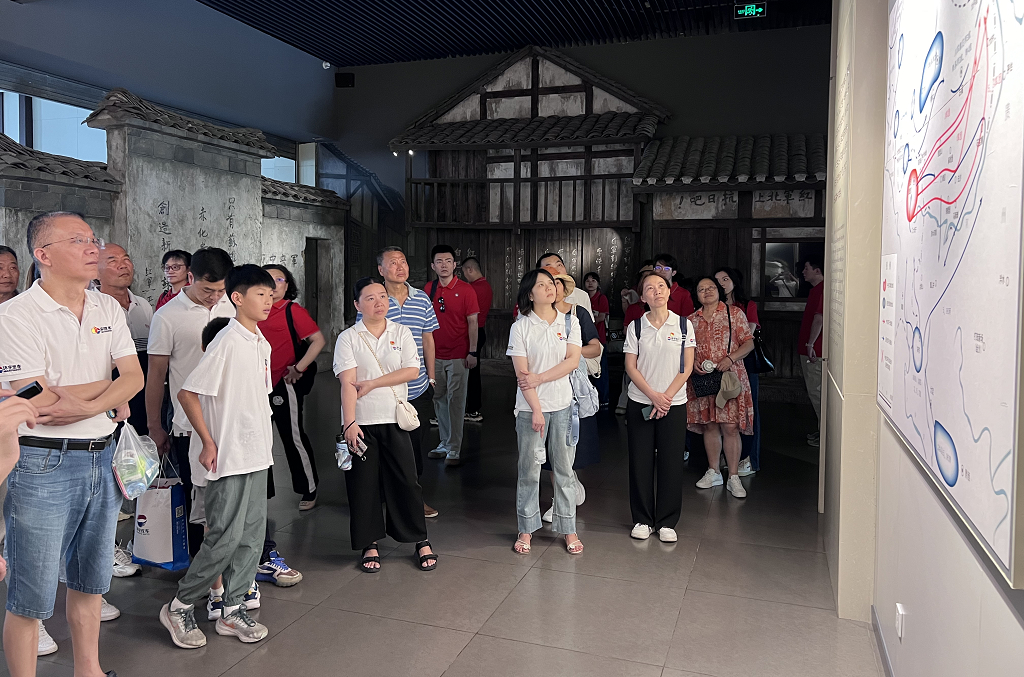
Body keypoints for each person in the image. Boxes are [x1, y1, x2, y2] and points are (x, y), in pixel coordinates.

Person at [0, 211, 144, 677]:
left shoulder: (106, 307)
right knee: (31, 594)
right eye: (77, 240)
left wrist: (77, 400)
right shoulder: (15, 316)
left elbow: (135, 377)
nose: (92, 247)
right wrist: (106, 396)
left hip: (103, 458)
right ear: (43, 255)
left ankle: (89, 670)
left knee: (91, 582)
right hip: (42, 463)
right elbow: (33, 401)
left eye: (92, 238)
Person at [159, 264, 278, 649]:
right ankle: (179, 605)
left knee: (251, 535)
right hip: (228, 456)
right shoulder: (228, 340)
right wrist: (208, 442)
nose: (269, 300)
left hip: (257, 453)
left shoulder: (261, 342)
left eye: (272, 294)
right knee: (223, 537)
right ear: (238, 298)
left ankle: (233, 608)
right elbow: (188, 394)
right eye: (261, 294)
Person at [335, 277, 438, 573]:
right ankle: (370, 543)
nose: (379, 302)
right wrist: (349, 423)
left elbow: (411, 370)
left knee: (406, 479)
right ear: (357, 305)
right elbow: (347, 383)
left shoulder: (401, 332)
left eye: (382, 297)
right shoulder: (349, 338)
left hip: (396, 419)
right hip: (363, 421)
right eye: (370, 298)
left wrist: (374, 383)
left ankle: (420, 539)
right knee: (363, 484)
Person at [147, 248, 237, 557]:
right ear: (190, 278)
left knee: (237, 497)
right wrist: (155, 427)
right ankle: (200, 570)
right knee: (196, 501)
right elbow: (156, 376)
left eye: (221, 290)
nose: (214, 297)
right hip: (189, 427)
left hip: (233, 422)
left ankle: (240, 565)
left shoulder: (235, 307)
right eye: (207, 289)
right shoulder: (167, 316)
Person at [507, 268, 584, 556]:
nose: (550, 288)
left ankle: (568, 528)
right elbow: (522, 374)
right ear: (530, 293)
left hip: (563, 405)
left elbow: (572, 361)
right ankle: (526, 528)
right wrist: (536, 409)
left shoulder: (570, 321)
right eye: (541, 284)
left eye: (551, 283)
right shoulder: (521, 326)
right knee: (529, 470)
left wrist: (540, 379)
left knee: (564, 470)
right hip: (530, 410)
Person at [624, 270, 695, 542]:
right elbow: (631, 366)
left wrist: (665, 398)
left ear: (669, 291)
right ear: (642, 297)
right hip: (641, 401)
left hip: (673, 404)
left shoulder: (684, 326)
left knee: (671, 461)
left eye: (661, 286)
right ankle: (642, 519)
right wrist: (653, 395)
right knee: (640, 461)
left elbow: (686, 367)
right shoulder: (636, 327)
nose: (657, 291)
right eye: (650, 288)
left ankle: (667, 521)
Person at [373, 246, 440, 518]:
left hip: (417, 387)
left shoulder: (422, 299)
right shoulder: (375, 299)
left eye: (403, 261)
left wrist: (432, 376)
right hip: (384, 388)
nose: (400, 267)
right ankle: (384, 498)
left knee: (415, 447)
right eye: (393, 262)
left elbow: (428, 339)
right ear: (381, 270)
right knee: (385, 446)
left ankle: (414, 499)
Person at [259, 264, 326, 511]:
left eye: (280, 279)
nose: (274, 284)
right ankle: (261, 492)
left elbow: (318, 340)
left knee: (292, 436)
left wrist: (299, 367)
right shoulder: (250, 310)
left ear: (287, 285)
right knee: (259, 439)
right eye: (268, 279)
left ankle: (308, 487)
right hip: (255, 385)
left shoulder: (291, 310)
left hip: (283, 383)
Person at [540, 269, 598, 524]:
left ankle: (569, 487)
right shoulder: (535, 317)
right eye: (547, 284)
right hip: (543, 388)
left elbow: (596, 346)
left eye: (557, 284)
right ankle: (559, 497)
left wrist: (572, 352)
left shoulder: (577, 313)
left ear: (564, 288)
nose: (553, 289)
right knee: (549, 449)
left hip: (572, 388)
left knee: (569, 441)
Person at [688, 277, 755, 499]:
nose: (706, 291)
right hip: (704, 379)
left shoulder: (734, 313)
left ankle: (733, 476)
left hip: (730, 378)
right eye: (701, 289)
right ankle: (714, 471)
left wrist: (731, 357)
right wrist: (693, 362)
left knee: (730, 426)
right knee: (709, 425)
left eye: (711, 288)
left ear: (719, 291)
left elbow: (749, 342)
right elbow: (687, 348)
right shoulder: (691, 320)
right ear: (696, 295)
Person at [424, 245, 479, 467]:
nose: (444, 265)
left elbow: (473, 322)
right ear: (433, 266)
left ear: (455, 265)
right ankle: (444, 442)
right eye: (439, 261)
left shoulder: (466, 290)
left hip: (458, 354)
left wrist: (472, 351)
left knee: (456, 401)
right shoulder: (429, 288)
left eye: (448, 261)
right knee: (438, 398)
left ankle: (454, 447)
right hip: (434, 354)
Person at [98, 243, 153, 435]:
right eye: (113, 261)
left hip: (144, 392)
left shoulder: (143, 304)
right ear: (95, 272)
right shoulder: (93, 308)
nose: (123, 265)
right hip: (112, 392)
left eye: (126, 259)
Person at [715, 267, 760, 476]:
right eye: (717, 280)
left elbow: (746, 336)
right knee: (723, 412)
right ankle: (727, 456)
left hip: (743, 365)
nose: (722, 283)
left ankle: (750, 458)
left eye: (725, 279)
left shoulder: (747, 305)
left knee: (748, 413)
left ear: (734, 281)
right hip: (719, 367)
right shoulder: (712, 306)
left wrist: (729, 355)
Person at [617, 261, 655, 415]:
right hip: (637, 350)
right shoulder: (633, 308)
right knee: (630, 375)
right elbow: (627, 329)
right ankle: (626, 405)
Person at [461, 256, 492, 423]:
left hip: (472, 333)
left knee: (469, 373)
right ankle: (472, 409)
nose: (464, 275)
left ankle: (472, 409)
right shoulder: (485, 286)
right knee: (472, 372)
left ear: (470, 270)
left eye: (465, 271)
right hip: (479, 331)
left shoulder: (472, 288)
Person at [799, 258, 825, 447]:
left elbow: (819, 318)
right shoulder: (816, 290)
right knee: (815, 391)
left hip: (815, 351)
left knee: (817, 392)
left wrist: (811, 344)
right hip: (811, 348)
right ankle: (821, 429)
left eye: (807, 268)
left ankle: (825, 434)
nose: (803, 272)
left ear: (817, 270)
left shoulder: (824, 288)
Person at [583, 272, 610, 408]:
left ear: (598, 283)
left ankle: (603, 399)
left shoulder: (601, 298)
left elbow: (601, 317)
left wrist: (585, 322)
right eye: (587, 281)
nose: (590, 283)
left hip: (599, 339)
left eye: (593, 280)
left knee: (601, 371)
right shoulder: (582, 298)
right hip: (585, 341)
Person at [653, 253, 695, 318]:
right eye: (658, 267)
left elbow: (688, 320)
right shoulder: (649, 291)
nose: (662, 271)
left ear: (673, 273)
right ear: (654, 270)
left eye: (667, 269)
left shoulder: (684, 294)